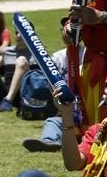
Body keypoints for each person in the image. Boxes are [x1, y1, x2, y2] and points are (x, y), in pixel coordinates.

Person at [22, 17, 86, 152]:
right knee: (52, 121)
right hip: (68, 111)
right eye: (65, 31)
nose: (67, 35)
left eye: (71, 32)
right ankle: (49, 142)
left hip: (87, 112)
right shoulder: (56, 58)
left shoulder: (87, 55)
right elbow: (52, 86)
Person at [0, 23, 38, 112]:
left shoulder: (38, 54)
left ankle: (9, 100)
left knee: (21, 60)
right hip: (4, 93)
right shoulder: (7, 51)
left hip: (23, 95)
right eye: (17, 33)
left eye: (22, 33)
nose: (18, 36)